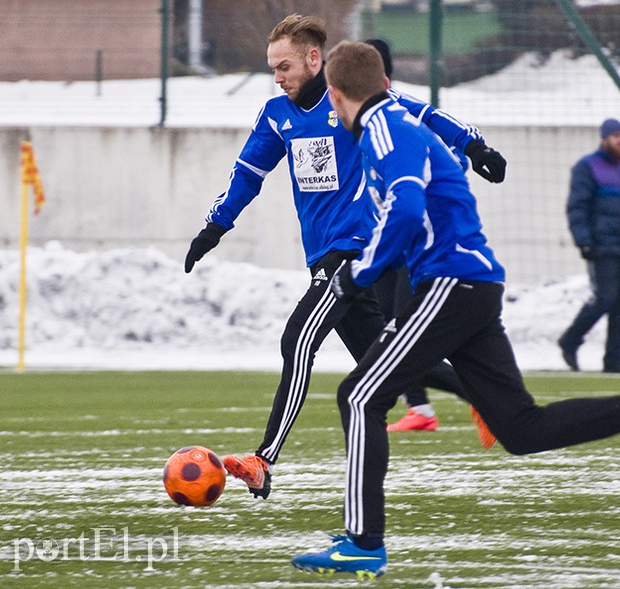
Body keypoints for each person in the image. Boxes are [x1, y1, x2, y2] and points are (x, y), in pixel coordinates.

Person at [289, 41, 620, 579]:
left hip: (450, 282)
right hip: (471, 284)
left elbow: (405, 206)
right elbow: (428, 160)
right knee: (521, 429)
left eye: (329, 102)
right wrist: (473, 150)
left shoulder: (382, 129)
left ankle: (363, 542)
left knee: (359, 394)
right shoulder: (397, 116)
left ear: (335, 93)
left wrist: (357, 275)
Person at [184, 15, 504, 498]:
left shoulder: (347, 100)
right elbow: (248, 172)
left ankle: (263, 459)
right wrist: (215, 224)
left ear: (315, 59)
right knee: (388, 358)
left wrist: (474, 144)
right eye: (273, 68)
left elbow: (422, 113)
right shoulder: (277, 115)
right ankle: (482, 395)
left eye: (284, 66)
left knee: (298, 339)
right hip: (322, 255)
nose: (277, 76)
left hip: (354, 250)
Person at [365, 38, 502, 439]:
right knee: (388, 331)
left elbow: (442, 120)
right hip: (383, 236)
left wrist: (475, 148)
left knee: (404, 336)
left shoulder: (394, 107)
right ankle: (421, 408)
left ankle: (478, 395)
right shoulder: (347, 112)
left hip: (416, 238)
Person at [557, 118, 620, 374]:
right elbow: (577, 206)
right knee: (604, 299)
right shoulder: (587, 167)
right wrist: (583, 240)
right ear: (604, 139)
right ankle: (570, 341)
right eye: (615, 136)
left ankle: (614, 360)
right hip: (600, 245)